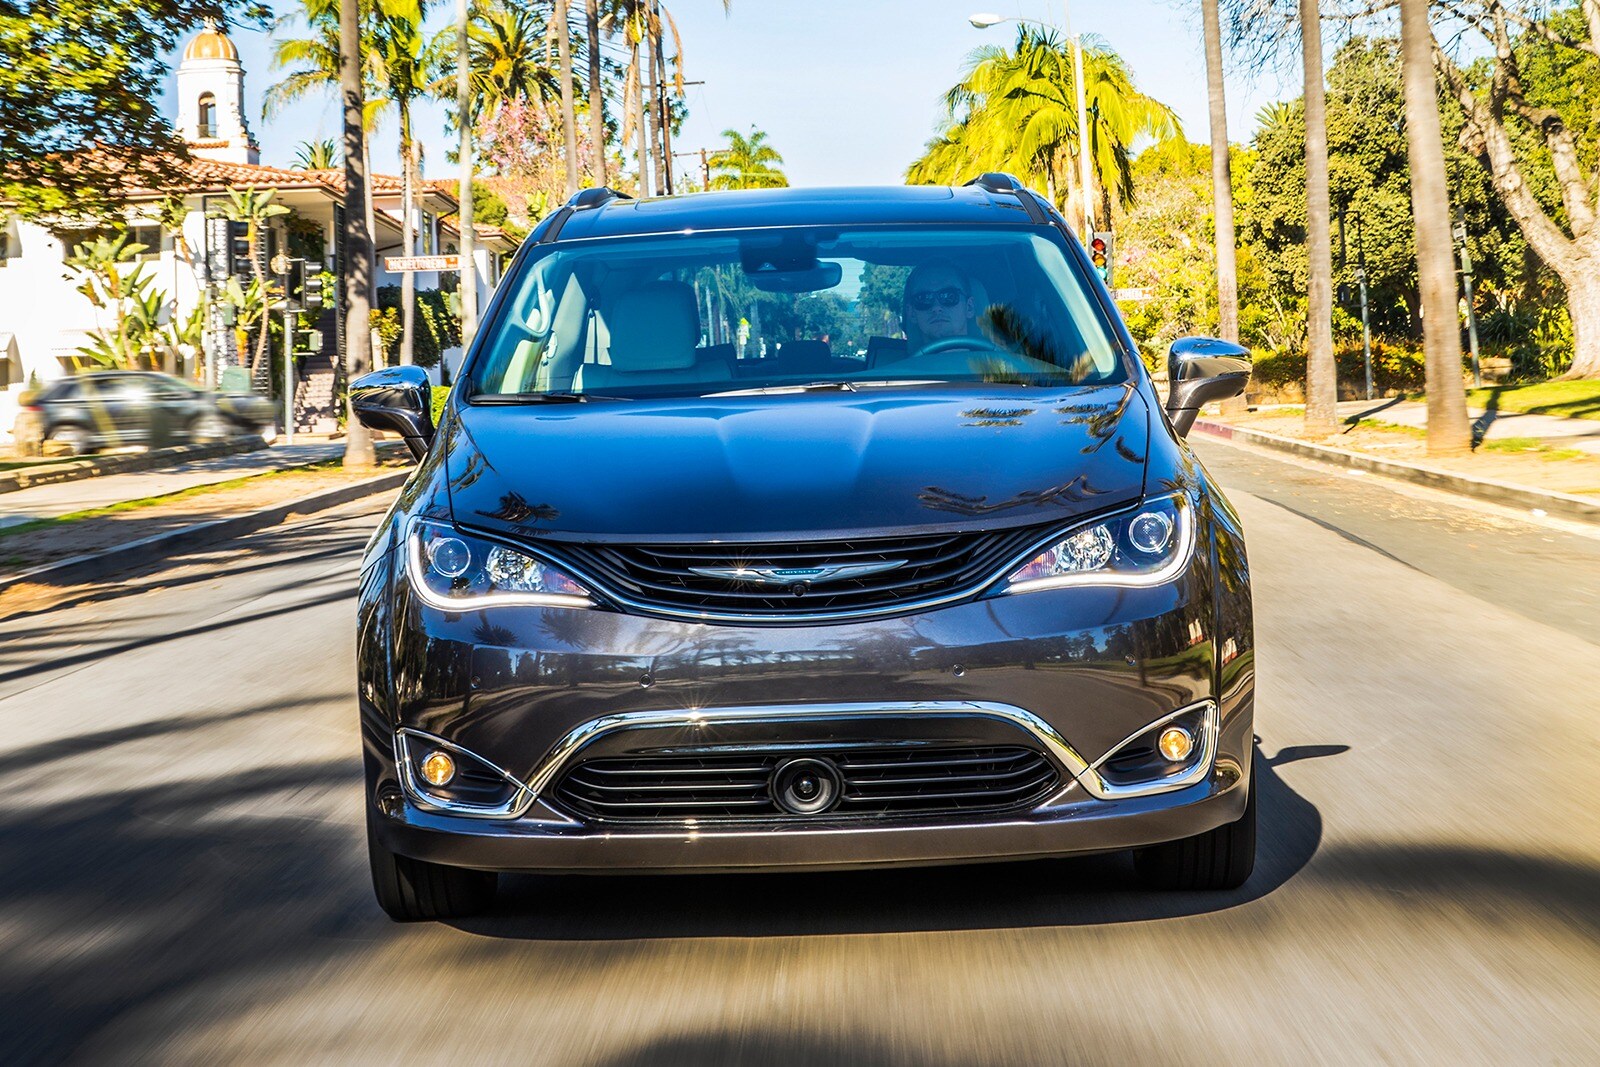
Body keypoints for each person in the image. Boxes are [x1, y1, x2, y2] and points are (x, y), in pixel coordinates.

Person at [902, 258, 979, 353]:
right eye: (924, 298)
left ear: (969, 307)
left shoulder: (998, 366)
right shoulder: (894, 368)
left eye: (948, 296)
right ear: (912, 313)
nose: (936, 308)